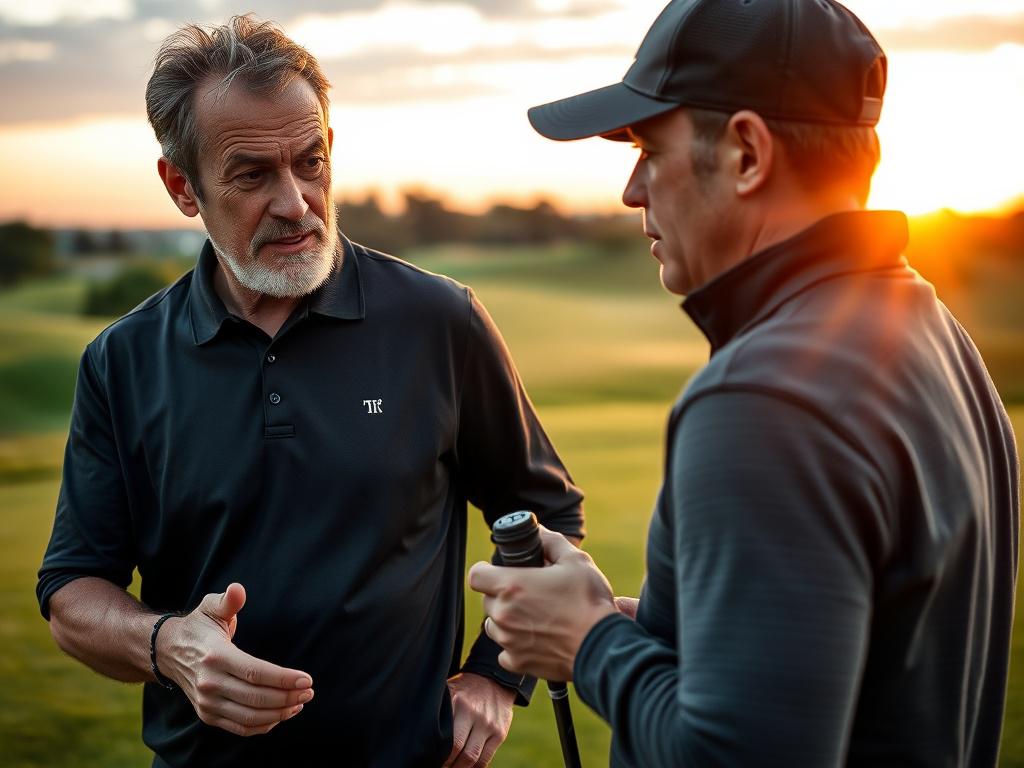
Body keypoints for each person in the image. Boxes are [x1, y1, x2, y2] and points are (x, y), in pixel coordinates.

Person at [470, 1, 1020, 765]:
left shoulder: (764, 400)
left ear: (746, 154)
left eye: (648, 149)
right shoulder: (934, 335)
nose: (633, 191)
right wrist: (638, 631)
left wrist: (586, 642)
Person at [36, 15, 584, 768]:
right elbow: (73, 587)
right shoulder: (121, 360)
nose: (296, 202)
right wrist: (166, 645)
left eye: (311, 162)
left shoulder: (439, 320)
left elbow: (543, 512)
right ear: (181, 187)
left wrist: (495, 676)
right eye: (253, 174)